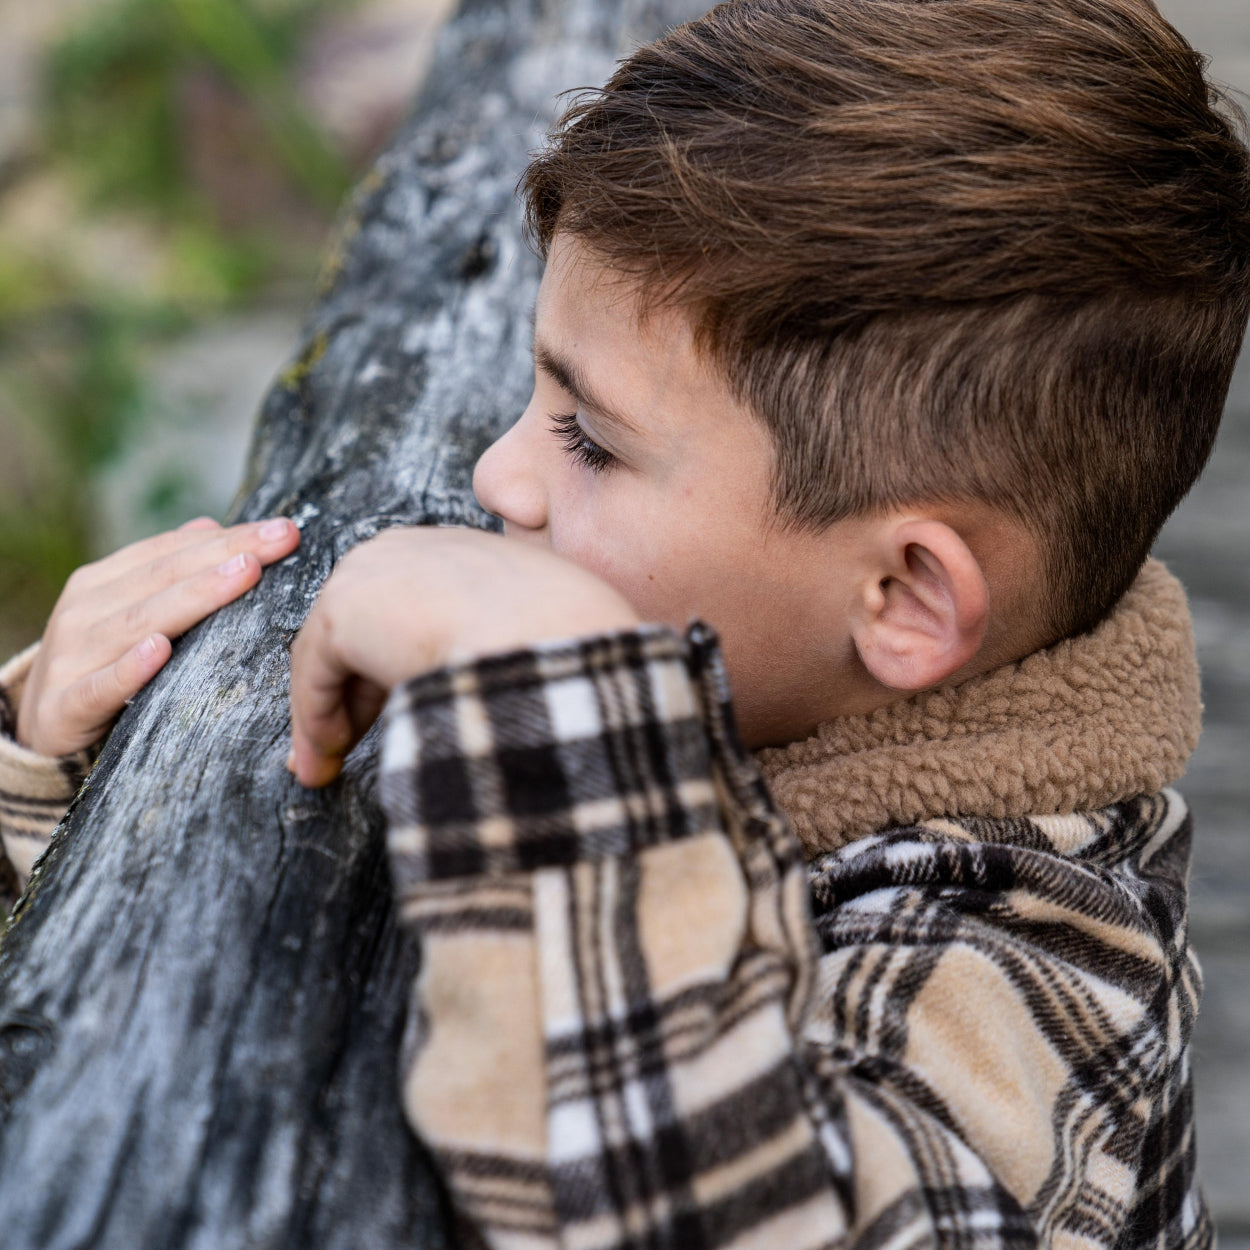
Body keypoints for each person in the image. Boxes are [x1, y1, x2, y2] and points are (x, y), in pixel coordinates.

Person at [2, 0, 1247, 1244]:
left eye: (588, 438)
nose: (498, 477)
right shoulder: (786, 687)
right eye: (528, 391)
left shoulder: (1034, 967)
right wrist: (56, 794)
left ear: (904, 598)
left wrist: (543, 683)